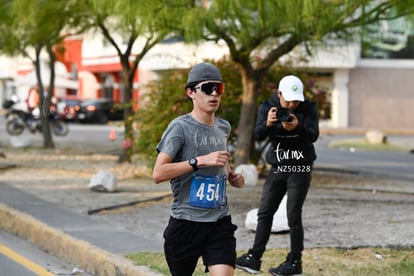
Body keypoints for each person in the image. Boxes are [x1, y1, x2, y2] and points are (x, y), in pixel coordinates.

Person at [152, 62, 245, 276]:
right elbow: (158, 174)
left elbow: (219, 156)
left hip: (219, 221)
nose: (214, 94)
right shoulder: (179, 128)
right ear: (191, 92)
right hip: (186, 223)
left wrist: (231, 175)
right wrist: (198, 161)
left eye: (218, 88)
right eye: (207, 88)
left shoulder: (223, 127)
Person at [235, 75, 319, 275]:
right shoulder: (268, 106)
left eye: (296, 101)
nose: (291, 105)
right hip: (278, 166)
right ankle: (254, 258)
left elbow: (313, 135)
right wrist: (268, 123)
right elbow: (258, 135)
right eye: (288, 100)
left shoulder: (308, 108)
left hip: (300, 166)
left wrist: (298, 127)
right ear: (279, 94)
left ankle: (294, 262)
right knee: (265, 212)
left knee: (293, 216)